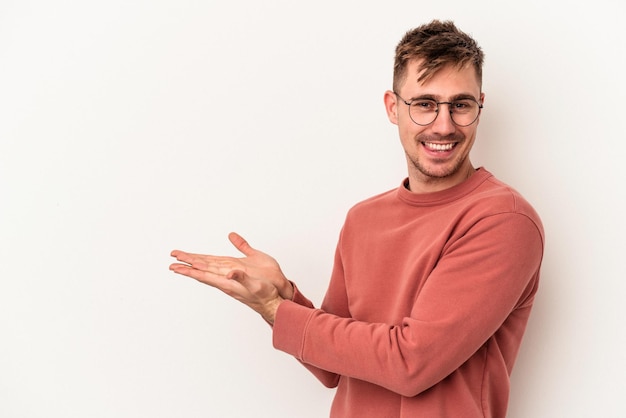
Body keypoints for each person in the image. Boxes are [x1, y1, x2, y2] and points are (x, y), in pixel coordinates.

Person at [169, 20, 544, 418]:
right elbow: (333, 366)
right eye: (425, 104)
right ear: (393, 107)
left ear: (479, 107)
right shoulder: (364, 219)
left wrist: (282, 313)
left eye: (461, 105)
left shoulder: (503, 220)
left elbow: (411, 364)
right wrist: (279, 299)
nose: (444, 124)